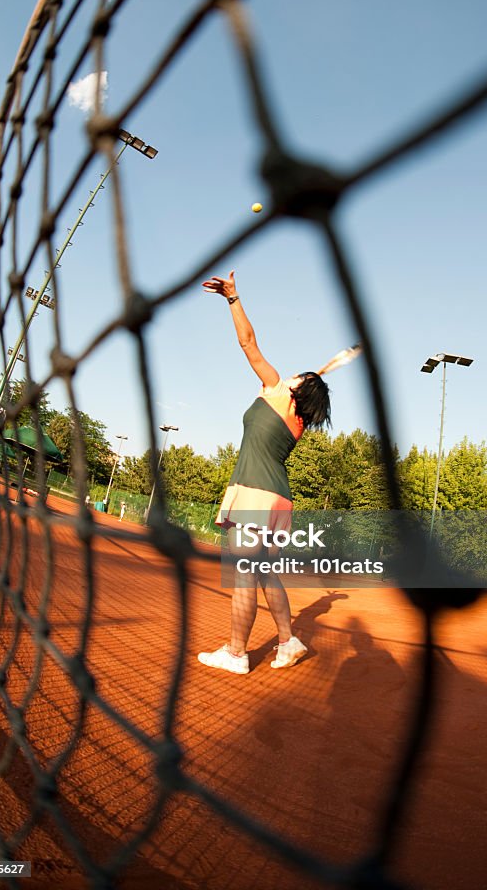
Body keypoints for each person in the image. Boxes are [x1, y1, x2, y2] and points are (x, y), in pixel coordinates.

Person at [198, 270, 331, 675]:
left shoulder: (275, 389)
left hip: (255, 492)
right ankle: (289, 641)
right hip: (276, 496)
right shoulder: (299, 422)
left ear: (298, 388)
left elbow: (248, 344)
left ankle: (237, 653)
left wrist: (233, 299)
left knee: (243, 572)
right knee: (264, 573)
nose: (289, 372)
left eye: (298, 375)